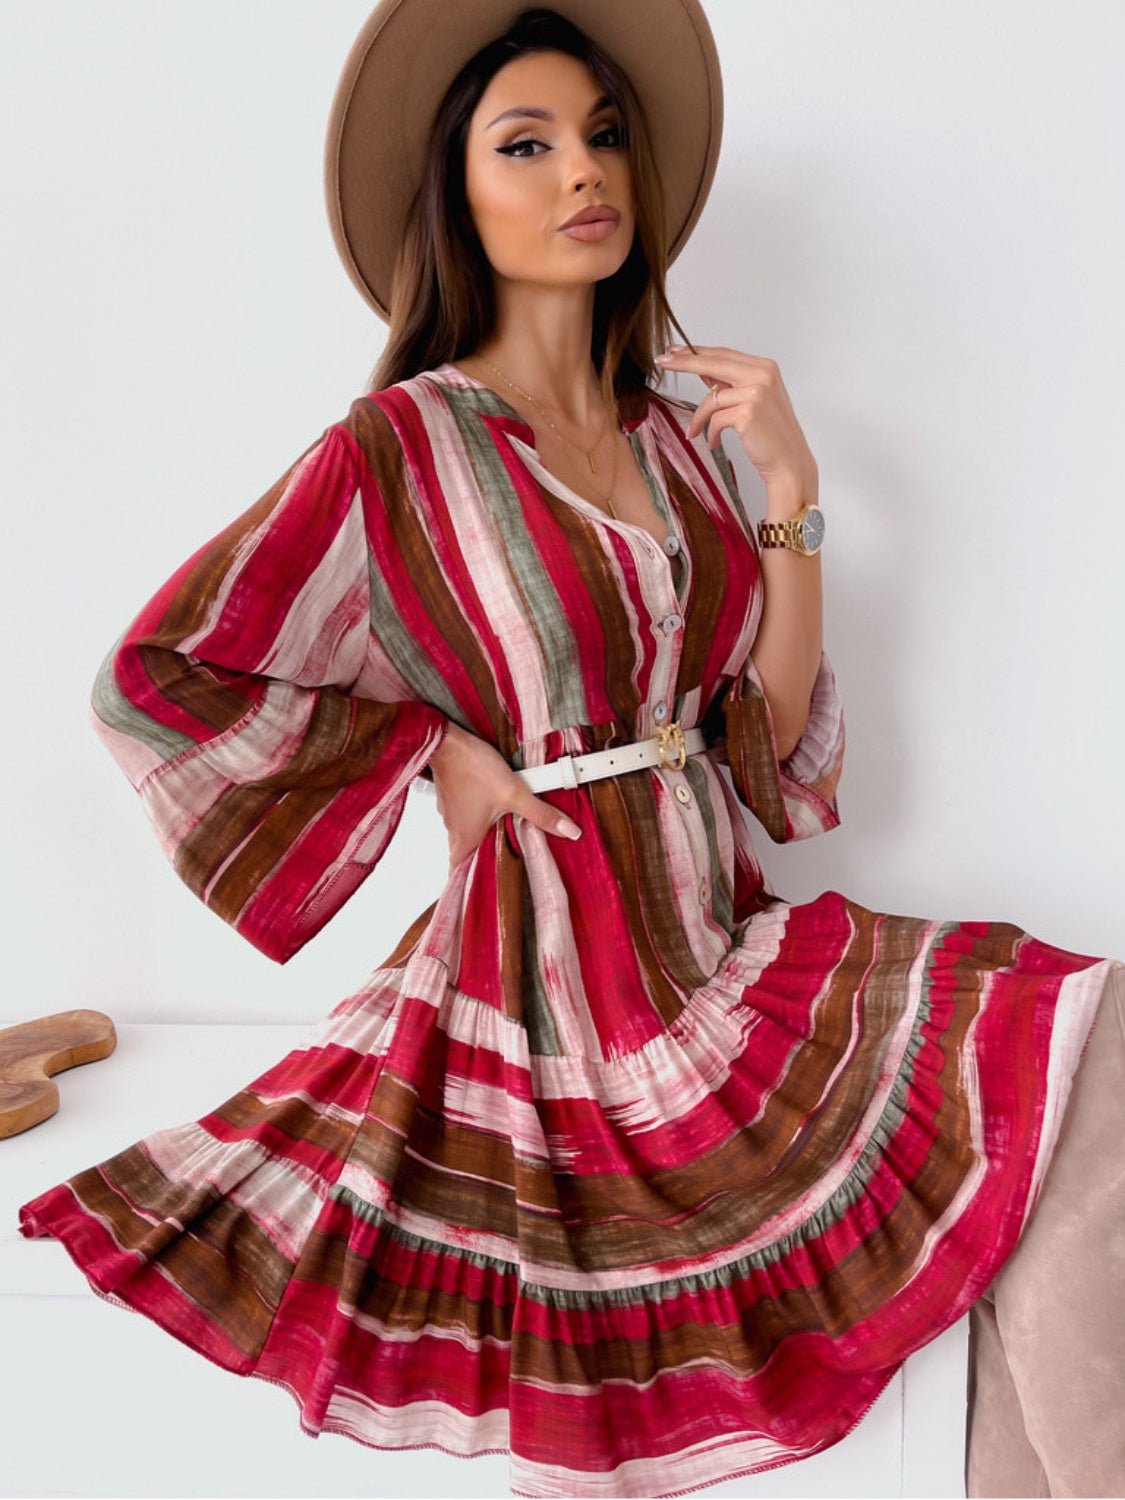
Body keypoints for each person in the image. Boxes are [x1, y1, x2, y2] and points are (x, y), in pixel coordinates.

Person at [17, 4, 1124, 1496]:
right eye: (525, 145)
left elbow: (764, 745)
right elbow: (155, 678)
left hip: (722, 941)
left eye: (602, 136)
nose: (583, 171)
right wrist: (428, 751)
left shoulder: (675, 436)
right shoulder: (399, 448)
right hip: (562, 984)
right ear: (456, 195)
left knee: (1084, 1059)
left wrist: (788, 492)